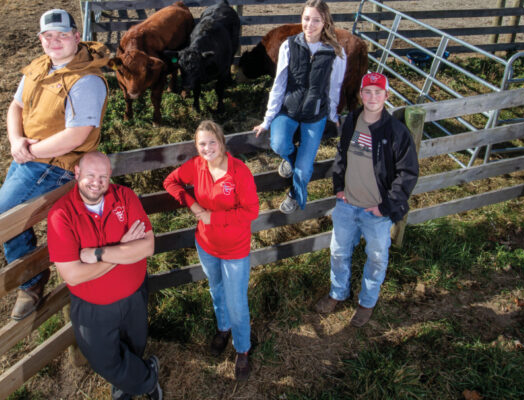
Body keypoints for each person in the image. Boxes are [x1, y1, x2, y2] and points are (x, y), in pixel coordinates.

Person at [0, 9, 110, 320]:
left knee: (4, 211)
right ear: (41, 39)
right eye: (48, 36)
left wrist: (30, 151)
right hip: (30, 154)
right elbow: (15, 105)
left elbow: (76, 135)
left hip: (55, 164)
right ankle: (32, 263)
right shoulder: (40, 66)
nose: (54, 41)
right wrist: (17, 142)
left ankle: (31, 280)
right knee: (11, 211)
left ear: (75, 36)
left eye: (61, 35)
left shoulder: (86, 80)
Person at [47, 152, 161, 400]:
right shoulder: (61, 215)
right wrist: (121, 251)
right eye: (90, 175)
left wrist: (99, 254)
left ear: (110, 177)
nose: (96, 182)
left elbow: (147, 247)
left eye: (103, 176)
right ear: (77, 174)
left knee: (135, 345)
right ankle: (148, 379)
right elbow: (73, 275)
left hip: (134, 295)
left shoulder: (124, 197)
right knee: (102, 358)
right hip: (92, 306)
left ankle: (128, 383)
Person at [315, 72, 419, 327]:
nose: (373, 97)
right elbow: (341, 155)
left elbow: (408, 173)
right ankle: (338, 293)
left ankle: (367, 302)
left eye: (378, 92)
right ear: (361, 94)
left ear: (386, 96)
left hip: (377, 212)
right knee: (338, 252)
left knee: (376, 257)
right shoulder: (351, 121)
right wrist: (339, 187)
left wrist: (386, 207)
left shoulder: (396, 131)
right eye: (368, 92)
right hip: (347, 204)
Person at [163, 121, 259, 381]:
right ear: (197, 146)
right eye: (202, 144)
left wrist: (212, 218)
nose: (207, 148)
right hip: (206, 246)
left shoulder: (239, 171)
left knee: (237, 302)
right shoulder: (196, 166)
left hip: (235, 249)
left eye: (212, 142)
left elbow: (251, 211)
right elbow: (170, 182)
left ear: (222, 142)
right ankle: (223, 328)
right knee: (216, 290)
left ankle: (242, 349)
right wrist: (193, 205)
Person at [253, 0, 346, 214]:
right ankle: (290, 160)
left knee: (304, 172)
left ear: (325, 22)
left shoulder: (336, 53)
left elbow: (335, 87)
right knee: (278, 144)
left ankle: (295, 194)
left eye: (316, 20)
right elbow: (279, 84)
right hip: (289, 109)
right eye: (306, 19)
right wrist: (268, 119)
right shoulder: (289, 45)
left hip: (315, 115)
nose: (310, 25)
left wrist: (332, 113)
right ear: (301, 19)